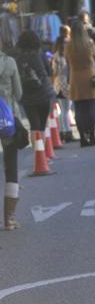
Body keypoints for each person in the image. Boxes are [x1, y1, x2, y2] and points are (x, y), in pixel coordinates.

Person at [12, 30, 57, 150]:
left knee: (34, 126)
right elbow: (49, 72)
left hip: (27, 97)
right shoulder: (41, 55)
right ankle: (43, 154)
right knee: (42, 125)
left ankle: (37, 155)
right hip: (44, 94)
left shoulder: (17, 59)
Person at [0, 47, 27, 229]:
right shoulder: (9, 62)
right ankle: (9, 219)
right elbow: (18, 94)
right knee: (11, 168)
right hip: (7, 119)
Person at [66, 19, 95, 147]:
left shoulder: (68, 45)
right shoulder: (89, 43)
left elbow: (67, 61)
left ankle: (82, 137)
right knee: (91, 107)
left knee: (79, 109)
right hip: (89, 77)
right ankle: (92, 137)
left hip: (75, 78)